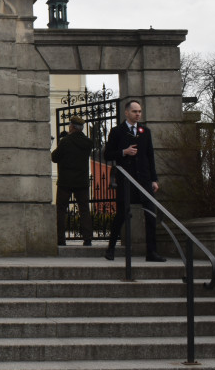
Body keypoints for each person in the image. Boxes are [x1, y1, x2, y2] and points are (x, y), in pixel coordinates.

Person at [103, 99, 166, 262]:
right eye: (134, 111)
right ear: (126, 112)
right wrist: (124, 152)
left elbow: (150, 156)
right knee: (121, 215)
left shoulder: (145, 131)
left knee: (151, 215)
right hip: (126, 180)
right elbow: (107, 154)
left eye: (139, 111)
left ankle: (151, 252)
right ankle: (110, 249)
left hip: (144, 180)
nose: (137, 114)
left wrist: (154, 179)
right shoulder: (117, 131)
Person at [51, 114, 94, 246]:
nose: (69, 127)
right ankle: (87, 238)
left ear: (73, 127)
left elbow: (55, 157)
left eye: (70, 125)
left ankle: (61, 239)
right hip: (82, 181)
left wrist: (63, 140)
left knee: (61, 209)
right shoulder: (88, 143)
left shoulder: (66, 141)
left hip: (66, 182)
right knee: (84, 210)